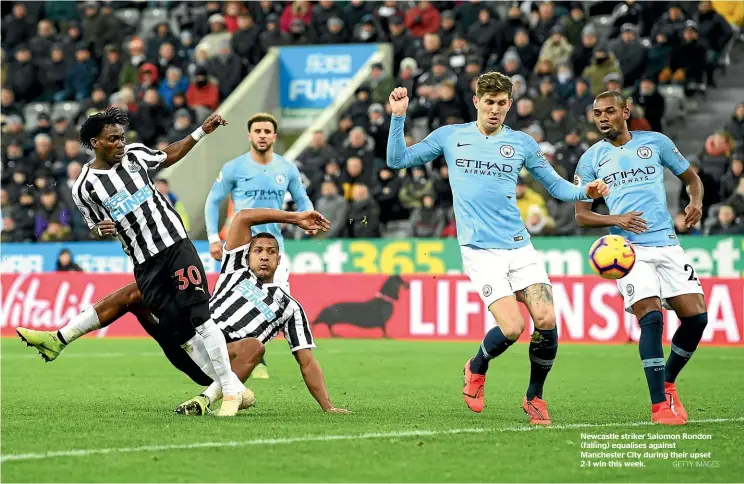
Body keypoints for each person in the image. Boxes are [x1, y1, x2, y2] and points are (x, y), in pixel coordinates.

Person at [386, 72, 609, 425]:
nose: (494, 110)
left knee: (547, 320)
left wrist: (587, 192)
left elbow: (556, 186)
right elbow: (397, 160)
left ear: (509, 104)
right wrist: (398, 117)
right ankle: (476, 367)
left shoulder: (521, 143)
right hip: (480, 250)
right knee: (512, 327)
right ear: (476, 101)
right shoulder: (451, 136)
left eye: (501, 103)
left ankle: (535, 397)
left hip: (520, 247)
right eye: (488, 102)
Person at [17, 208, 349, 416]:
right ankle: (59, 338)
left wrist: (328, 406)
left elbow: (306, 360)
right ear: (246, 255)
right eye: (258, 250)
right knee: (138, 293)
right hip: (188, 336)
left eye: (271, 252)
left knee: (255, 347)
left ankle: (206, 399)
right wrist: (294, 218)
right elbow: (244, 216)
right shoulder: (234, 267)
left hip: (219, 364)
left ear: (279, 260)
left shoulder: (290, 307)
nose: (263, 256)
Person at [66, 107, 245, 417]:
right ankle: (232, 386)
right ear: (95, 143)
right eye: (113, 139)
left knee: (200, 315)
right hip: (144, 261)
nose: (121, 143)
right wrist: (99, 229)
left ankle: (229, 393)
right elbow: (94, 225)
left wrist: (201, 131)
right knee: (177, 332)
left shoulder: (135, 156)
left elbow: (168, 155)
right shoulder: (84, 187)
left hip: (175, 243)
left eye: (122, 137)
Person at [574, 91, 707, 426]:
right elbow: (581, 215)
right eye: (596, 113)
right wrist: (614, 220)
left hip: (666, 243)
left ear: (625, 112)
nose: (602, 118)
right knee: (651, 318)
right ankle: (659, 406)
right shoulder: (591, 159)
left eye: (609, 111)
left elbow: (691, 179)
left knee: (696, 319)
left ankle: (668, 381)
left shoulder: (656, 143)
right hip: (628, 251)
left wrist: (695, 202)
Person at [205, 112, 313, 379]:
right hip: (242, 250)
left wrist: (309, 218)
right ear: (250, 135)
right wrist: (213, 238)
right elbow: (212, 200)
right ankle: (238, 353)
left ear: (274, 136)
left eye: (267, 131)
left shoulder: (287, 168)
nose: (262, 135)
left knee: (273, 305)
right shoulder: (234, 168)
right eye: (258, 131)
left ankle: (258, 354)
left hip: (275, 251)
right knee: (234, 303)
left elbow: (303, 200)